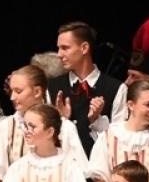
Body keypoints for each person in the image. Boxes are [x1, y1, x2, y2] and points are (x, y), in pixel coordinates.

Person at [48, 21, 125, 150]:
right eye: (59, 48)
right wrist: (62, 121)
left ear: (84, 48)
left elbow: (119, 141)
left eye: (65, 48)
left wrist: (96, 120)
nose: (59, 54)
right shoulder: (53, 87)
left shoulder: (116, 88)